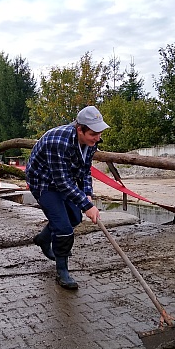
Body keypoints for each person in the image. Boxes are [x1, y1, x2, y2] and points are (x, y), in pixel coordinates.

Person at [26, 106, 109, 290]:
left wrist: (87, 193)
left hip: (64, 179)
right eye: (93, 134)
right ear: (80, 129)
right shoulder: (59, 141)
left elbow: (85, 171)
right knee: (63, 228)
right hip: (43, 182)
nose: (97, 138)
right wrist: (87, 205)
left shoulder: (91, 143)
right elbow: (61, 182)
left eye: (99, 133)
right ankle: (62, 271)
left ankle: (43, 238)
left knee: (74, 217)